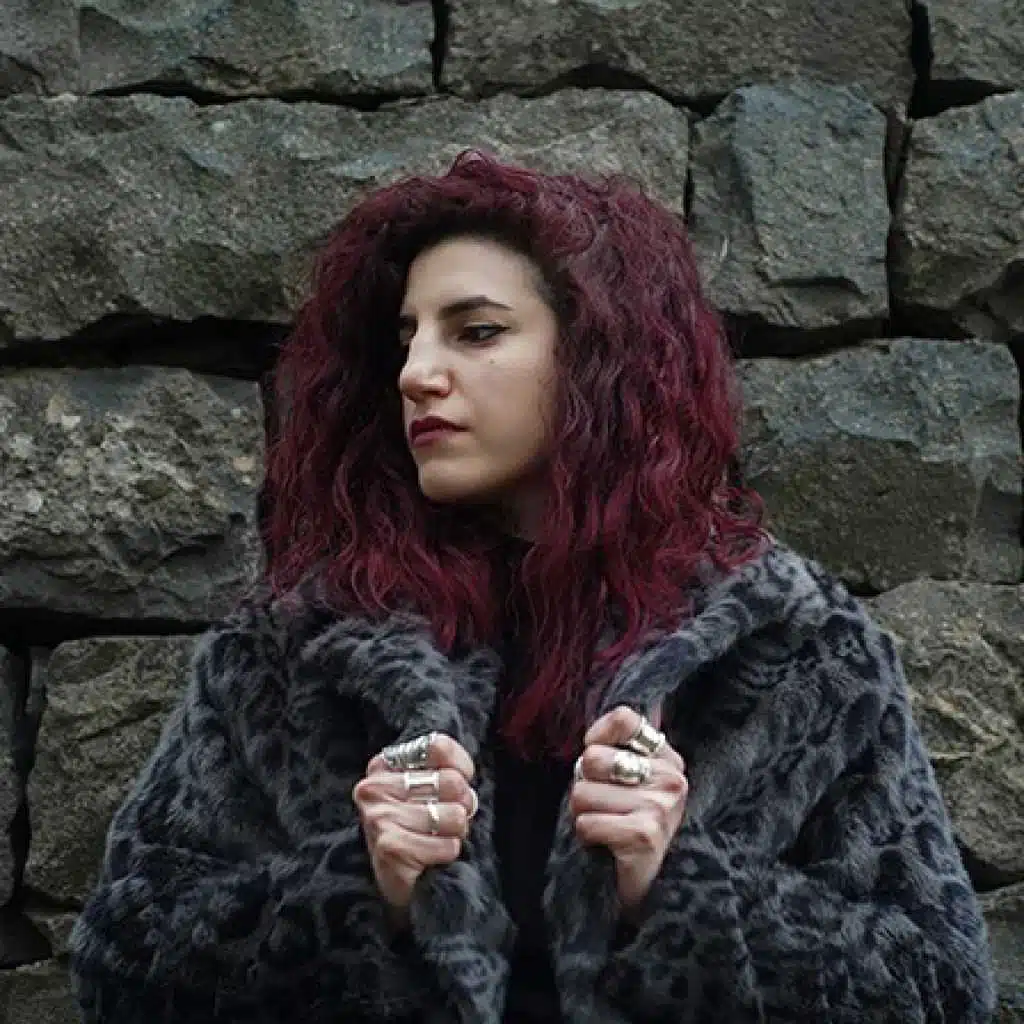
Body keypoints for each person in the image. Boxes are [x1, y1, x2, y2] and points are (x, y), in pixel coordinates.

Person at [68, 151, 996, 1023]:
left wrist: (679, 886)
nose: (417, 374)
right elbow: (121, 965)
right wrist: (358, 888)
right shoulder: (292, 650)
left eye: (476, 332)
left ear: (598, 355)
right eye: (405, 340)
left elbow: (941, 987)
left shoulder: (794, 648)